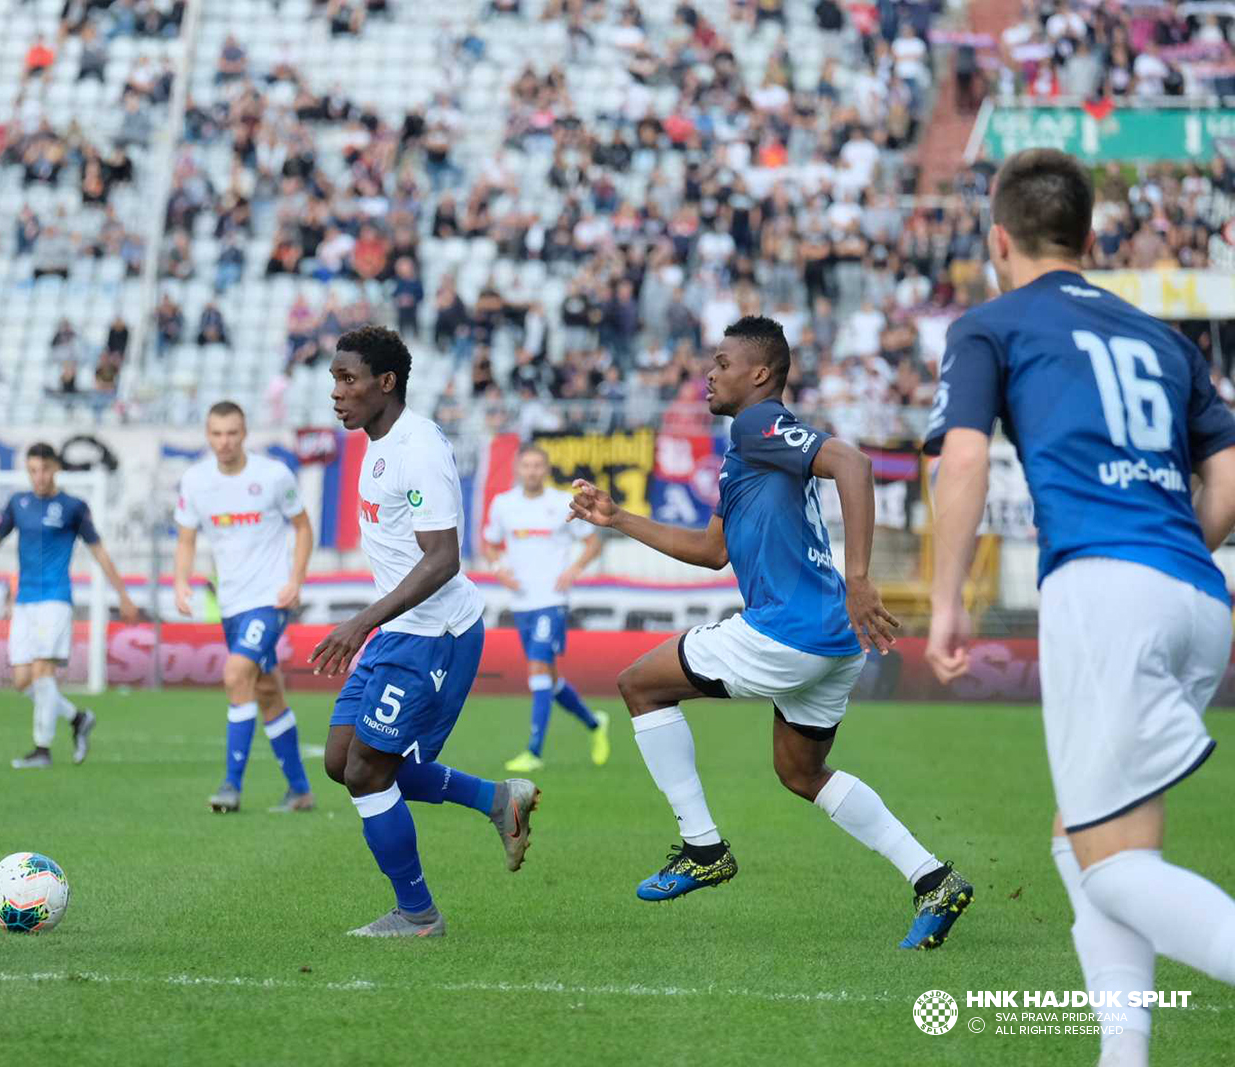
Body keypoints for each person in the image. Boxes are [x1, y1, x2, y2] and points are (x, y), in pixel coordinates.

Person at [925, 148, 1235, 1067]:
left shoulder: (992, 323)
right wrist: (1183, 550)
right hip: (1198, 593)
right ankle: (1123, 1054)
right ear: (1089, 238)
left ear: (998, 240)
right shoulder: (1166, 336)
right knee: (1084, 835)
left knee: (1113, 864)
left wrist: (945, 599)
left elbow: (967, 459)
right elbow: (1227, 475)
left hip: (1105, 591)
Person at [572, 315, 973, 950]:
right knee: (801, 772)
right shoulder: (749, 449)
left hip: (788, 631)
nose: (709, 373)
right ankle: (935, 880)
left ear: (759, 374)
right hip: (833, 643)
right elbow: (711, 551)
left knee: (639, 687)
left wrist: (861, 577)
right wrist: (618, 517)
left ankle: (703, 848)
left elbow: (855, 464)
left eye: (722, 363)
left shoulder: (760, 423)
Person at [313, 325, 539, 937]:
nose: (336, 392)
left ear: (386, 383)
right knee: (342, 760)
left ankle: (418, 915)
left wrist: (361, 621)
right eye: (334, 378)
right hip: (401, 630)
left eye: (348, 379)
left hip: (434, 634)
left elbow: (443, 560)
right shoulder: (378, 440)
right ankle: (496, 799)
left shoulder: (418, 448)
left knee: (367, 771)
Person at [173, 402, 316, 814]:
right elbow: (186, 538)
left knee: (236, 673)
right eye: (217, 434)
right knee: (267, 691)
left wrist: (296, 579)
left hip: (270, 600)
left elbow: (303, 527)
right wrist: (181, 582)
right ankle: (300, 791)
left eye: (232, 433)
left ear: (245, 432)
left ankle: (231, 787)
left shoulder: (272, 475)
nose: (224, 442)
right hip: (231, 603)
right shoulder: (196, 480)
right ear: (207, 434)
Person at [0, 443, 140, 769]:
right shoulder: (17, 503)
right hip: (24, 600)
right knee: (23, 681)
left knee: (42, 670)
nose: (39, 476)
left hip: (55, 598)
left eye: (45, 469)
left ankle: (42, 750)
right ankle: (77, 718)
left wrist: (123, 594)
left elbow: (99, 551)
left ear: (56, 469)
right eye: (33, 470)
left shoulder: (73, 507)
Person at [481, 444, 611, 771]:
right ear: (517, 468)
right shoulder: (503, 504)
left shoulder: (559, 503)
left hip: (552, 600)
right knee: (549, 680)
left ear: (547, 468)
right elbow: (489, 542)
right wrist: (499, 569)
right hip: (522, 601)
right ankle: (595, 724)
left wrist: (573, 570)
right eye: (527, 465)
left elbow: (593, 541)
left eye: (538, 465)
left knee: (538, 667)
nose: (533, 471)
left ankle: (534, 752)